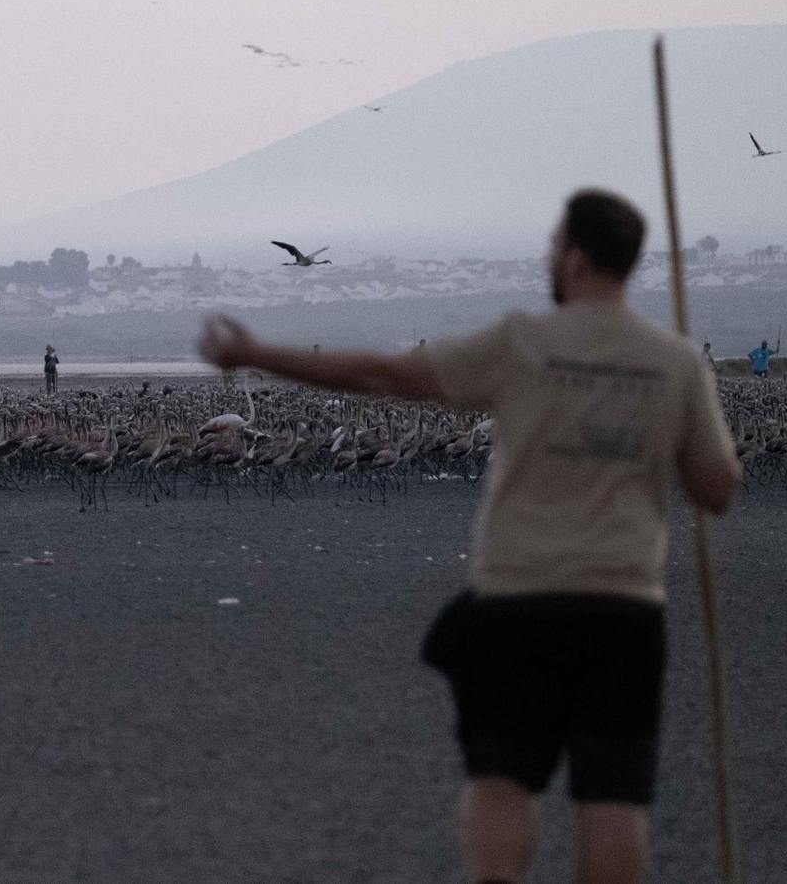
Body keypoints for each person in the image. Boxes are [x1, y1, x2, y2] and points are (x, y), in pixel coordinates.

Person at [197, 189, 740, 884]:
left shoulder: (520, 343)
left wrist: (255, 352)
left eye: (553, 245)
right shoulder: (676, 361)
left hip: (518, 600)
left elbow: (383, 374)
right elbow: (716, 488)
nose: (548, 256)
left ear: (576, 259)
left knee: (502, 780)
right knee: (613, 795)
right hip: (624, 606)